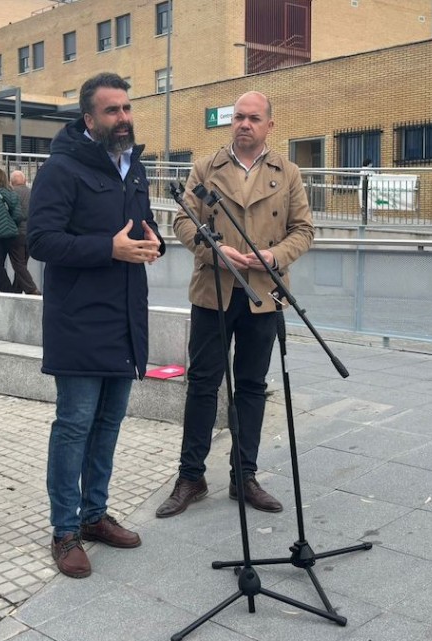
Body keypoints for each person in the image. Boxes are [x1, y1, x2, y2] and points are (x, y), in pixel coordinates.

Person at [27, 72, 165, 579]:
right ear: (89, 119)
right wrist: (108, 248)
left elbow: (142, 226)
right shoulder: (62, 168)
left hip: (125, 317)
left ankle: (94, 515)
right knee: (74, 426)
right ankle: (64, 531)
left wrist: (154, 245)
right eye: (112, 111)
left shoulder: (134, 167)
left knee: (108, 424)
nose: (123, 118)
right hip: (79, 320)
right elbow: (41, 240)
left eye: (127, 108)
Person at [157, 91, 314, 519]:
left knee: (251, 386)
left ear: (269, 125)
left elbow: (304, 230)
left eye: (254, 118)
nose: (245, 124)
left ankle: (243, 475)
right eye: (239, 118)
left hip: (264, 294)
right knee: (203, 383)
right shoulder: (206, 168)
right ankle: (191, 476)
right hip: (214, 292)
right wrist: (215, 251)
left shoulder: (289, 173)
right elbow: (182, 219)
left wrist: (275, 256)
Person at [8, 170, 41, 295]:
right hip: (31, 233)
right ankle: (16, 291)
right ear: (25, 181)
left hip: (17, 233)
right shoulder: (33, 193)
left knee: (18, 264)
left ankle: (31, 288)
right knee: (23, 264)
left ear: (11, 183)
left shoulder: (11, 193)